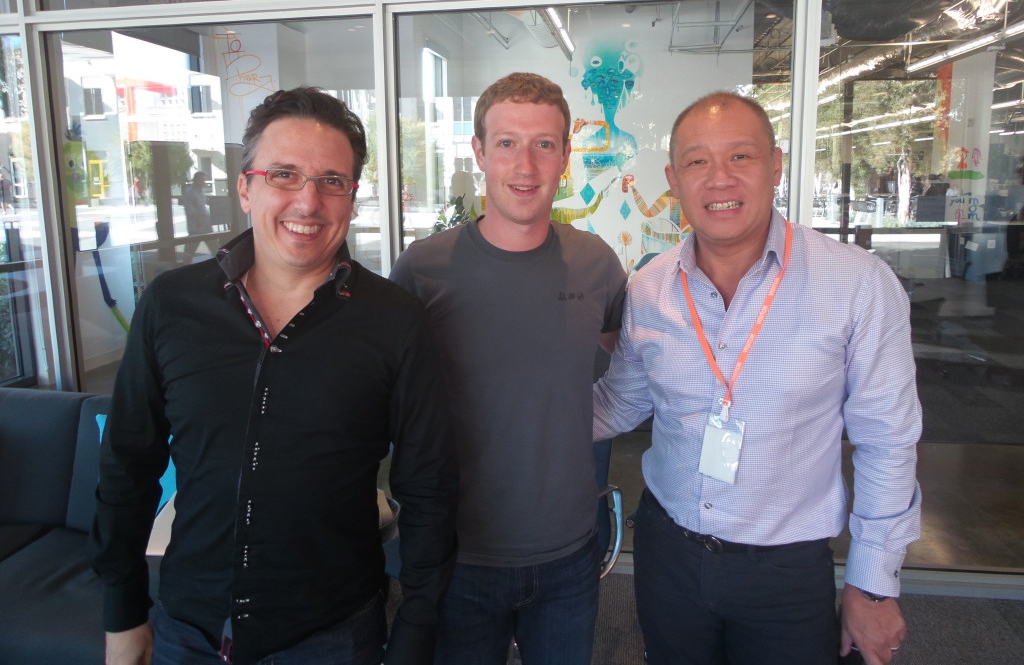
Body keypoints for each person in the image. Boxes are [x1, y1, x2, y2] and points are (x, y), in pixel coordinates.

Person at [90, 86, 458, 665]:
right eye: (283, 174)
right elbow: (127, 465)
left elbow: (430, 490)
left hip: (332, 635)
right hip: (188, 628)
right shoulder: (172, 305)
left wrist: (413, 634)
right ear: (245, 186)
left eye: (331, 181)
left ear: (352, 198)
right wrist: (122, 610)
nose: (308, 203)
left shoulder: (395, 321)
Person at [593, 92, 922, 665]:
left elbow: (887, 439)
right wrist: (514, 411)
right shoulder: (649, 288)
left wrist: (873, 584)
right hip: (669, 553)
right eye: (697, 161)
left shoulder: (857, 285)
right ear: (673, 179)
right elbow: (620, 402)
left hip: (785, 569)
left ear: (775, 165)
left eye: (740, 157)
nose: (719, 180)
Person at [390, 72, 627, 665]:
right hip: (460, 553)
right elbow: (384, 394)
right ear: (478, 151)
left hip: (569, 552)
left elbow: (632, 361)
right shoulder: (423, 269)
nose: (526, 165)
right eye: (506, 143)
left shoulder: (595, 262)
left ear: (566, 155)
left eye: (544, 144)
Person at [182, 170, 214, 261]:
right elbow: (190, 210)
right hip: (196, 225)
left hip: (205, 224)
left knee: (213, 244)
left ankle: (220, 264)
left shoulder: (200, 192)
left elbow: (202, 207)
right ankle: (185, 264)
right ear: (197, 180)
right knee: (191, 248)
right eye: (202, 180)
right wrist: (198, 221)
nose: (204, 182)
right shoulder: (190, 192)